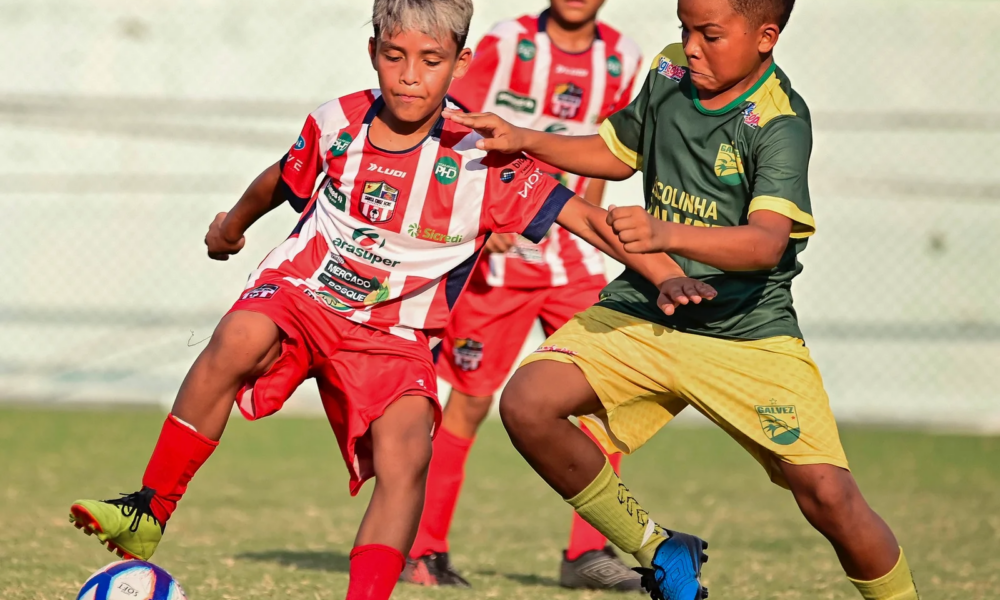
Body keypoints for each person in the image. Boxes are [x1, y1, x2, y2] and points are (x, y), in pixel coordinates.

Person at [66, 2, 715, 600]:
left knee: (407, 454)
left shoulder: (485, 157)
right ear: (373, 50)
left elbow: (586, 218)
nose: (410, 76)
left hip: (395, 335)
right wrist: (230, 226)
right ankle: (150, 508)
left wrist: (661, 274)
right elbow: (279, 178)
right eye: (394, 56)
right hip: (305, 296)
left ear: (460, 64)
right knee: (239, 335)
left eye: (430, 61)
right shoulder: (338, 122)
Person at [445, 0, 921, 599]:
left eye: (711, 34)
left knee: (829, 495)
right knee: (527, 404)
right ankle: (659, 550)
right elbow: (616, 152)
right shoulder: (671, 72)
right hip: (647, 308)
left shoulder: (780, 121)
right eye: (685, 28)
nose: (691, 45)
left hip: (746, 333)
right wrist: (525, 139)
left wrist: (665, 233)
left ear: (765, 37)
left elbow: (766, 244)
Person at [401, 0, 647, 591]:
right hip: (500, 264)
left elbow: (621, 149)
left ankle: (587, 554)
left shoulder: (622, 58)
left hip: (579, 262)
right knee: (467, 403)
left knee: (602, 402)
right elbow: (453, 119)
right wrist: (487, 210)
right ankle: (424, 550)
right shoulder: (508, 44)